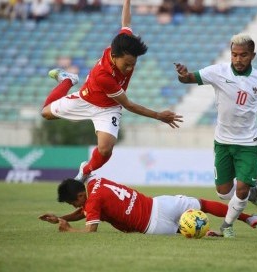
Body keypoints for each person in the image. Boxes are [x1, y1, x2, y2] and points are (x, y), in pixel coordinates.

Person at [40, 0, 183, 183]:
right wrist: (158, 115)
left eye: (134, 64)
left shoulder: (123, 44)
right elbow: (129, 104)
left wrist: (127, 1)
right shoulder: (104, 75)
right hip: (86, 100)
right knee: (45, 113)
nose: (130, 68)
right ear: (114, 57)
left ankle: (85, 170)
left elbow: (126, 23)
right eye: (127, 64)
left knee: (106, 149)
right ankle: (68, 80)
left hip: (109, 108)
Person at [174, 33, 257, 238]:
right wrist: (182, 74)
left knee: (240, 189)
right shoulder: (218, 72)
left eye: (243, 55)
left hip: (249, 143)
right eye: (234, 55)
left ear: (252, 55)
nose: (238, 59)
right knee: (224, 192)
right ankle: (251, 194)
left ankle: (227, 226)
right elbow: (188, 78)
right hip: (223, 141)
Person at [39, 173, 257, 236]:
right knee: (204, 204)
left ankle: (208, 234)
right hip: (160, 204)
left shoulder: (92, 203)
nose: (73, 208)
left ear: (80, 196)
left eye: (71, 204)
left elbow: (90, 228)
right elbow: (86, 211)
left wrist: (68, 228)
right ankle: (249, 218)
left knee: (186, 232)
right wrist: (61, 217)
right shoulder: (96, 182)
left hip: (152, 227)